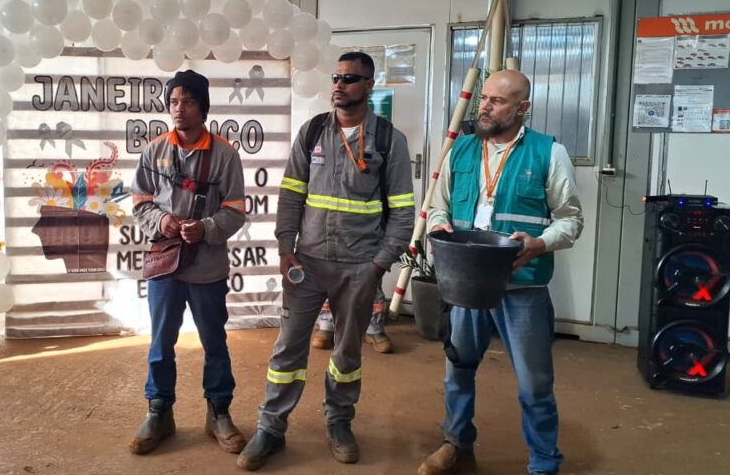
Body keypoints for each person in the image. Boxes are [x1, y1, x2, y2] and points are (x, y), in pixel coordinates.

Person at [238, 51, 415, 470]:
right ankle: (270, 428)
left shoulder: (388, 140)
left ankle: (339, 422)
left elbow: (403, 210)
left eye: (349, 78)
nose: (339, 84)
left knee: (347, 352)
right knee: (288, 349)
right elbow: (291, 195)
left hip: (359, 265)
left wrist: (378, 264)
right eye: (336, 77)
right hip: (309, 262)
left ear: (369, 85)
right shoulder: (313, 131)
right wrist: (286, 248)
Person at [418, 70, 584, 475]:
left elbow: (571, 220)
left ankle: (543, 463)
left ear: (522, 107)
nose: (485, 107)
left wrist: (538, 243)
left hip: (522, 285)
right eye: (484, 98)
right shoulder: (460, 150)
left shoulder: (548, 152)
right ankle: (456, 443)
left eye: (498, 100)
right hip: (466, 283)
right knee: (458, 369)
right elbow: (439, 206)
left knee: (534, 383)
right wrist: (439, 226)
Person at [129, 69, 248, 456]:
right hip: (165, 264)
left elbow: (236, 210)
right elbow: (140, 201)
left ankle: (218, 413)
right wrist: (161, 220)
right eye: (174, 101)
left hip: (207, 266)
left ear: (203, 106)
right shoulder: (154, 150)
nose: (179, 109)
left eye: (189, 101)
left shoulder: (225, 155)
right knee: (161, 341)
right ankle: (159, 412)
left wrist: (206, 228)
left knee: (214, 341)